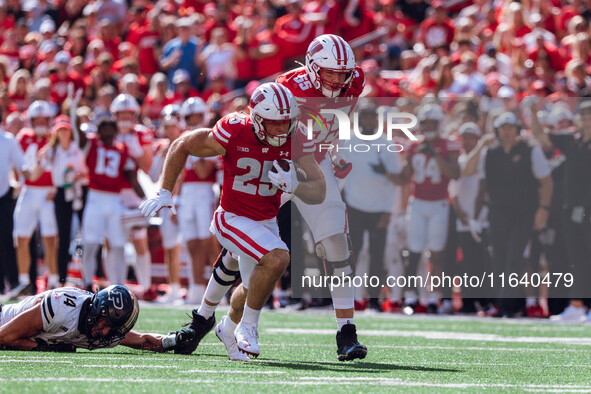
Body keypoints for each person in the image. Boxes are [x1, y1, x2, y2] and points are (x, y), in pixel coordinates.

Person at [140, 82, 325, 360]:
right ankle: (248, 327)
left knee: (253, 287)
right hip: (232, 217)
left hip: (266, 220)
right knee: (278, 258)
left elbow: (319, 189)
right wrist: (165, 190)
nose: (281, 130)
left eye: (286, 122)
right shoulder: (235, 129)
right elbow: (182, 144)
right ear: (258, 119)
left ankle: (227, 327)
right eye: (275, 124)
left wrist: (297, 184)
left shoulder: (296, 137)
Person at [275, 34, 367, 361]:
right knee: (240, 243)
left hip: (317, 161)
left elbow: (337, 119)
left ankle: (347, 332)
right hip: (280, 164)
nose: (337, 79)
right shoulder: (287, 86)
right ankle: (203, 315)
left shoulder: (355, 83)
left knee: (337, 243)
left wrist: (335, 150)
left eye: (342, 74)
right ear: (313, 68)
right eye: (329, 72)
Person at [465, 111, 553, 318]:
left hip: (523, 212)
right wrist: (480, 145)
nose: (506, 132)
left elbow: (546, 182)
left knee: (514, 259)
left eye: (510, 127)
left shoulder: (530, 150)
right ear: (497, 131)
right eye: (502, 128)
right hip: (497, 212)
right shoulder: (489, 152)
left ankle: (508, 306)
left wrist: (543, 209)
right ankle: (504, 304)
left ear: (517, 129)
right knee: (498, 259)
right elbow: (469, 172)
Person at [530, 101, 591, 321]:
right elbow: (542, 136)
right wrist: (532, 112)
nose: (587, 121)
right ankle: (576, 306)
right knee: (576, 259)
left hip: (589, 208)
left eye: (589, 116)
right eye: (584, 117)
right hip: (570, 207)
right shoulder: (572, 140)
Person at [0, 284, 195, 353]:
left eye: (111, 329)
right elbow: (4, 337)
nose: (102, 332)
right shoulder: (61, 308)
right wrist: (44, 347)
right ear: (96, 308)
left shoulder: (107, 332)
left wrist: (173, 341)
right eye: (104, 324)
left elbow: (143, 340)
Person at [399, 103, 461, 314]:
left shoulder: (448, 146)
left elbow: (454, 173)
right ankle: (411, 297)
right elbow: (405, 176)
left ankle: (435, 297)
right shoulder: (414, 145)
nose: (428, 126)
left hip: (439, 204)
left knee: (437, 255)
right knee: (413, 252)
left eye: (432, 122)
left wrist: (435, 155)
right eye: (425, 123)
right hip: (417, 203)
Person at [342, 105, 404, 311]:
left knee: (378, 255)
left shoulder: (386, 144)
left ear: (377, 121)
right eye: (365, 118)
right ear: (359, 120)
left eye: (372, 118)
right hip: (354, 205)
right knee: (354, 253)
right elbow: (340, 170)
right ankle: (354, 297)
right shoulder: (348, 141)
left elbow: (397, 179)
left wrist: (389, 210)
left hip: (379, 207)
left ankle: (376, 298)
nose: (368, 122)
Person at [10, 100, 58, 299]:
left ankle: (53, 280)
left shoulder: (55, 137)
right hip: (29, 191)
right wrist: (17, 180)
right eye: (36, 119)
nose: (40, 123)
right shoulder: (23, 137)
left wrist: (56, 186)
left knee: (50, 239)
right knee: (20, 237)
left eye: (43, 119)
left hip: (48, 192)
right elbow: (17, 163)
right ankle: (23, 281)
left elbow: (63, 165)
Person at [178, 97, 220, 305]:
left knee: (208, 242)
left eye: (197, 116)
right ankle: (196, 289)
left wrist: (195, 152)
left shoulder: (210, 137)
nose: (194, 120)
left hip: (204, 192)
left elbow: (204, 172)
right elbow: (179, 174)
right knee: (192, 243)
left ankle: (219, 291)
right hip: (187, 194)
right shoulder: (183, 137)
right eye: (190, 117)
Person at [0, 127, 25, 295]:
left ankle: (13, 282)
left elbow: (23, 164)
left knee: (7, 239)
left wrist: (20, 185)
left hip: (4, 196)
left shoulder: (8, 140)